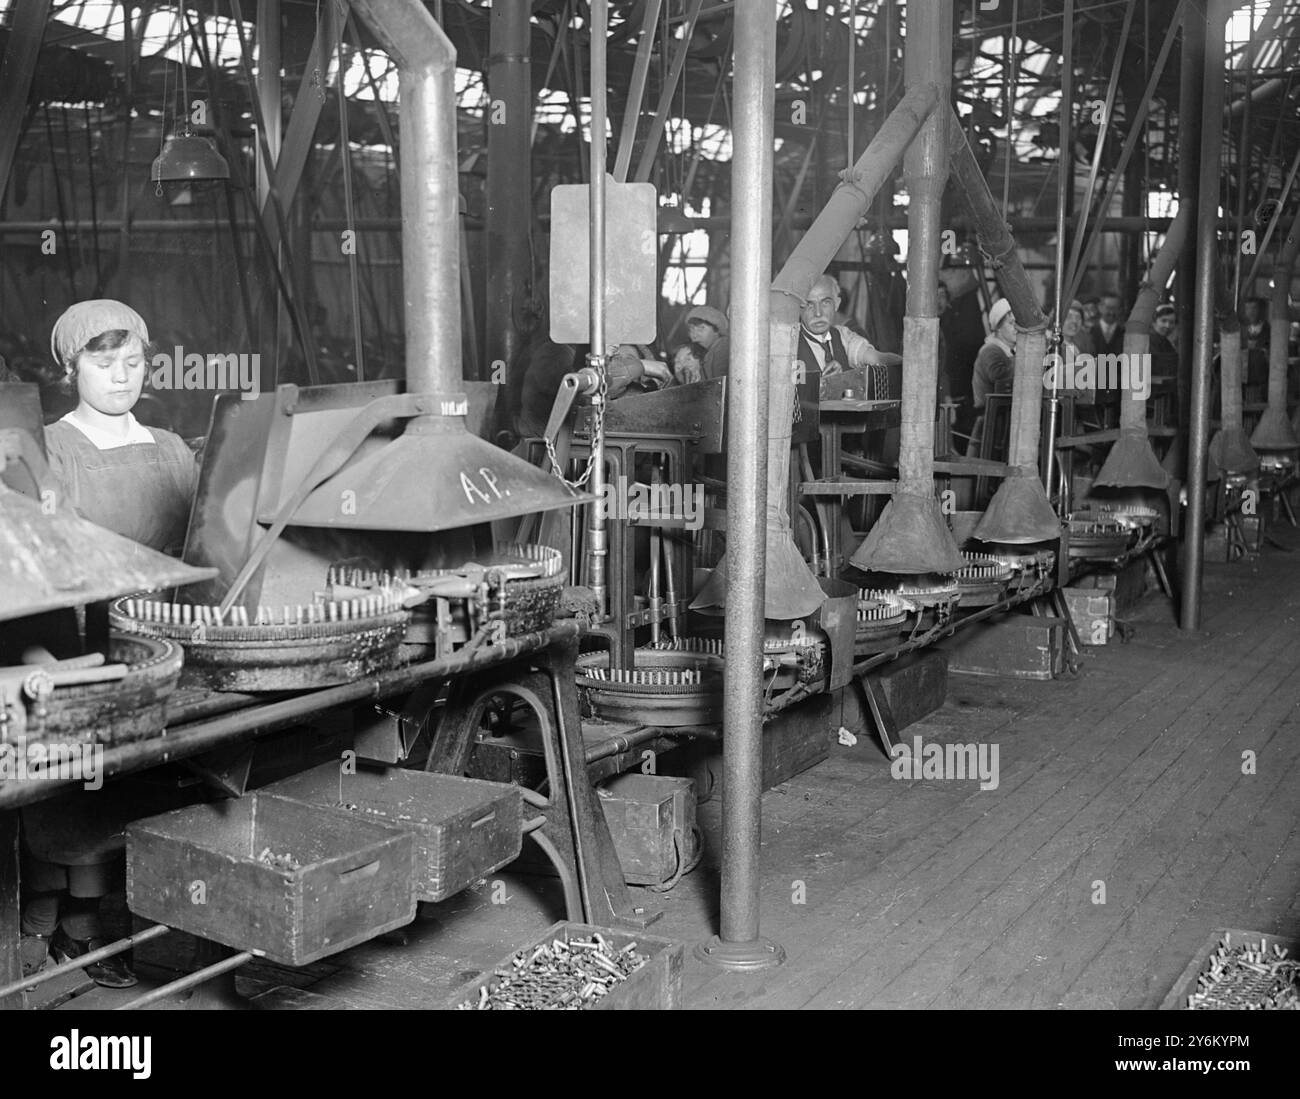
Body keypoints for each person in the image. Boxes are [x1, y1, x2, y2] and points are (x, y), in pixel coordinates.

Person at [43, 300, 197, 556]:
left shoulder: (173, 448)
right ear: (71, 368)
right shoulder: (50, 449)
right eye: (105, 365)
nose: (122, 377)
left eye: (133, 363)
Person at [796, 273, 901, 401]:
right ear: (798, 307)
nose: (818, 313)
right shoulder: (788, 342)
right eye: (809, 304)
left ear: (837, 304)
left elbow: (877, 357)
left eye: (825, 303)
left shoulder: (843, 336)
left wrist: (907, 363)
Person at [684, 305, 730, 381]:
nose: (694, 334)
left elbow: (722, 383)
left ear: (717, 330)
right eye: (691, 329)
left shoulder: (722, 347)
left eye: (701, 328)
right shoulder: (709, 352)